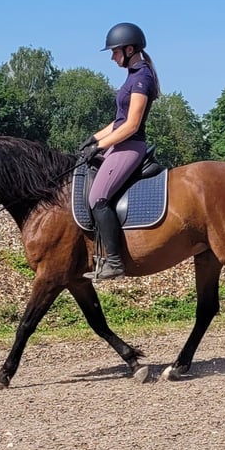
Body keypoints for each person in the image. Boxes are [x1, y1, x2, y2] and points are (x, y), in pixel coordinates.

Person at [78, 22, 160, 280]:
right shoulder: (132, 76)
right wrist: (93, 139)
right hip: (119, 142)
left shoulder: (141, 78)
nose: (113, 57)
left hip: (130, 145)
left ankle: (114, 263)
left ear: (130, 49)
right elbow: (118, 121)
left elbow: (132, 124)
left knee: (97, 197)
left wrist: (101, 146)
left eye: (115, 52)